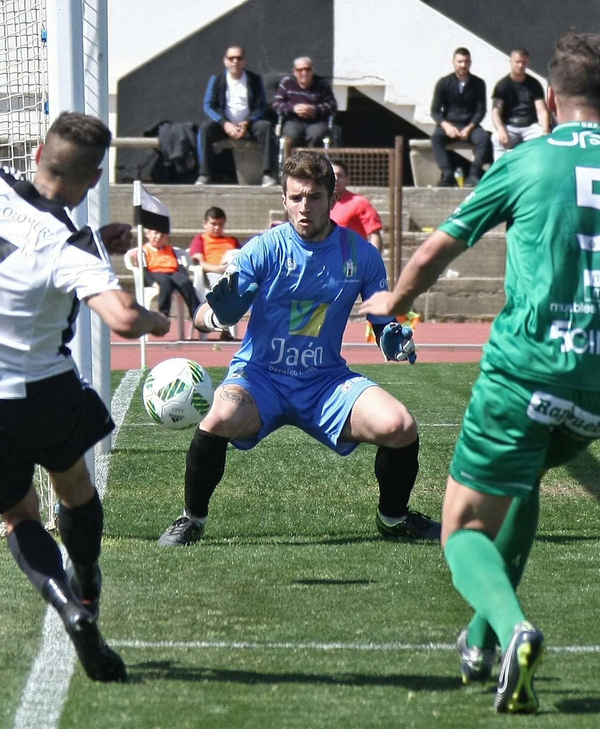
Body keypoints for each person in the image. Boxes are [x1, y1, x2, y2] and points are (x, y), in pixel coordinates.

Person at [360, 30, 600, 715]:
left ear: (548, 99)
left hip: (526, 373)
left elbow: (439, 248)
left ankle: (512, 629)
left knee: (461, 530)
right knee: (527, 473)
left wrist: (391, 303)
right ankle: (480, 642)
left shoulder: (526, 161)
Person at [0, 112, 170, 684]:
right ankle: (87, 582)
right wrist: (157, 322)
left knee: (19, 517)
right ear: (93, 180)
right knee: (73, 482)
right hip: (39, 390)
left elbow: (29, 235)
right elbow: (119, 318)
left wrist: (95, 241)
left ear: (41, 150)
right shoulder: (71, 248)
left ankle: (65, 605)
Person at [158, 150, 438, 547]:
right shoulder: (263, 249)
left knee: (400, 425)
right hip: (260, 378)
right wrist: (217, 316)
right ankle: (192, 519)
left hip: (325, 381)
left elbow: (383, 319)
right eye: (296, 197)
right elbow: (207, 313)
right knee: (218, 416)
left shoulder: (361, 255)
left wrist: (392, 335)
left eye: (314, 197)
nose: (304, 207)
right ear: (283, 199)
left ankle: (393, 518)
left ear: (333, 196)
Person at [198, 45, 276, 187]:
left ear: (244, 61)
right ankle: (204, 174)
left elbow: (261, 106)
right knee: (205, 129)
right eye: (231, 58)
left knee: (266, 127)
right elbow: (208, 106)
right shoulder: (216, 80)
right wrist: (225, 123)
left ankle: (268, 174)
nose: (235, 61)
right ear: (225, 61)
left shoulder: (254, 79)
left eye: (239, 58)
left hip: (249, 125)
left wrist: (247, 122)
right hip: (224, 125)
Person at [430, 47, 492, 187]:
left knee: (483, 138)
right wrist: (446, 126)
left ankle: (474, 174)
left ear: (470, 62)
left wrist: (469, 128)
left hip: (470, 124)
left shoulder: (478, 83)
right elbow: (435, 111)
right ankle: (447, 174)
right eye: (459, 62)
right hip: (449, 124)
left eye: (466, 62)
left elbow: (480, 111)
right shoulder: (444, 83)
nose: (463, 65)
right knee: (435, 138)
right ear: (453, 62)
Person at [490, 48, 550, 160]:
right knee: (497, 138)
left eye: (523, 62)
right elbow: (495, 112)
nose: (520, 65)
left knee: (545, 141)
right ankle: (500, 172)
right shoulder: (502, 85)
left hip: (530, 126)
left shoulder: (534, 84)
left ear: (527, 63)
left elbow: (542, 110)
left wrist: (545, 130)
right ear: (511, 62)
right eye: (517, 62)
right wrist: (501, 129)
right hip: (509, 127)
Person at [273, 56, 340, 156]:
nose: (304, 73)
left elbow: (332, 105)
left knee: (316, 135)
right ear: (294, 72)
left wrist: (314, 109)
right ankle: (290, 167)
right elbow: (276, 104)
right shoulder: (287, 83)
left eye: (307, 69)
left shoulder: (322, 84)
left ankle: (313, 167)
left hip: (316, 121)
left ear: (312, 70)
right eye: (300, 70)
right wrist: (293, 108)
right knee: (291, 136)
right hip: (294, 120)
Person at [138, 226, 201, 324]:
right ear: (148, 234)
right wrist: (153, 283)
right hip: (155, 273)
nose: (159, 237)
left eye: (162, 235)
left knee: (186, 282)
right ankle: (163, 315)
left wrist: (184, 278)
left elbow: (179, 266)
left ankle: (196, 313)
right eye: (156, 233)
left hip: (172, 273)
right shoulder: (144, 250)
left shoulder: (170, 249)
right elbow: (143, 271)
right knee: (165, 282)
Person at [330, 160, 384, 251]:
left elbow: (375, 235)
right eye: (332, 175)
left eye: (339, 175)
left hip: (352, 260)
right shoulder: (320, 203)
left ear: (347, 180)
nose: (335, 179)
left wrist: (372, 261)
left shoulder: (359, 203)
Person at [188, 206, 241, 285]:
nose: (217, 227)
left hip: (236, 274)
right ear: (205, 224)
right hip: (213, 273)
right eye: (213, 224)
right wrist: (217, 269)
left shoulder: (232, 240)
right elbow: (198, 263)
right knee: (221, 285)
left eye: (220, 224)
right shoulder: (200, 239)